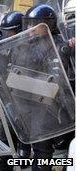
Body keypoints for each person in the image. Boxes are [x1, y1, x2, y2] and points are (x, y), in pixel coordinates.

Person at [21, 4, 74, 171]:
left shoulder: (60, 45)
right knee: (39, 151)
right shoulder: (31, 44)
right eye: (28, 24)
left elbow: (62, 78)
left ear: (48, 24)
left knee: (46, 153)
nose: (30, 28)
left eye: (35, 24)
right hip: (35, 102)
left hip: (53, 107)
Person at [0, 11, 33, 171]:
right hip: (10, 97)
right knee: (6, 133)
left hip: (27, 99)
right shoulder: (7, 45)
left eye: (11, 32)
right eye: (6, 32)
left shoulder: (30, 48)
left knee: (24, 135)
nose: (8, 35)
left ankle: (22, 162)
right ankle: (3, 165)